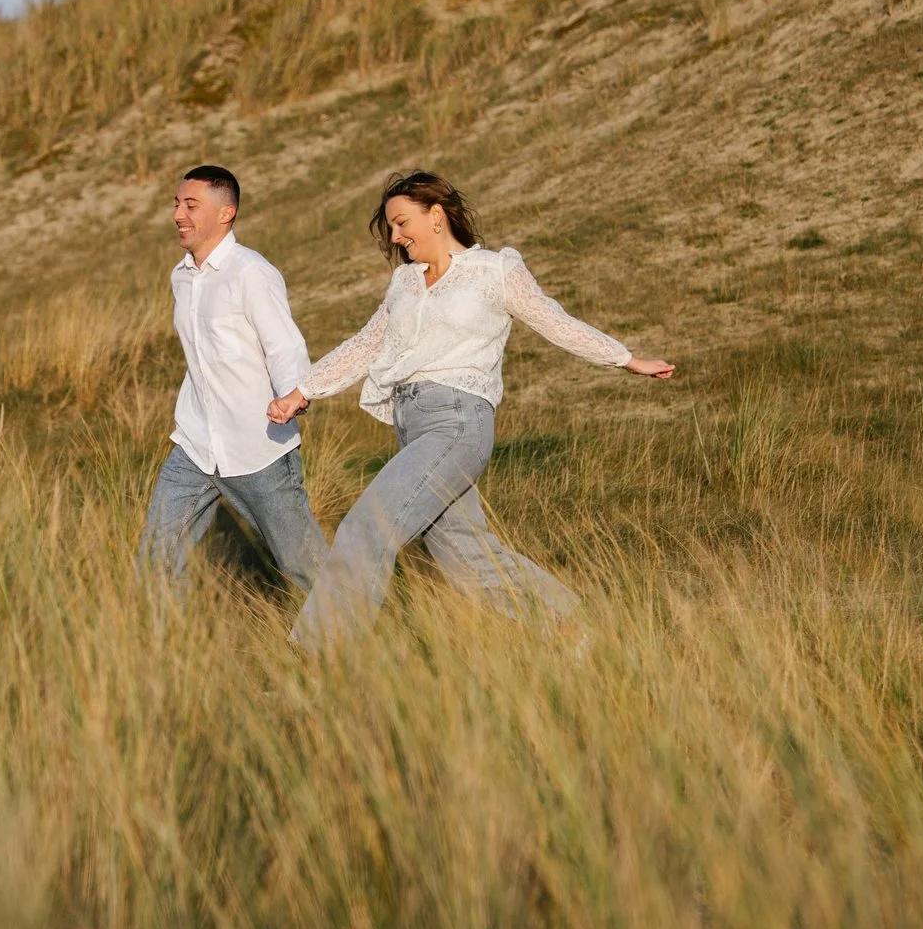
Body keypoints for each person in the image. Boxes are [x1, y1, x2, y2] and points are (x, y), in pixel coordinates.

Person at [268, 171, 674, 649]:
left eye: (402, 223)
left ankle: (316, 656)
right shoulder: (404, 282)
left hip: (457, 423)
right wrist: (305, 389)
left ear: (436, 216)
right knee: (463, 554)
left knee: (369, 524)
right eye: (392, 230)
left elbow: (554, 321)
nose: (396, 237)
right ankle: (574, 631)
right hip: (412, 427)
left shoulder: (493, 272)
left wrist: (625, 359)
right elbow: (366, 345)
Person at [138, 164, 331, 602]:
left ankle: (360, 643)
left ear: (226, 214)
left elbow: (284, 345)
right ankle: (157, 659)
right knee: (158, 558)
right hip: (195, 444)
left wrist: (291, 395)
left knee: (304, 566)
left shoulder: (252, 273)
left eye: (191, 205)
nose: (177, 215)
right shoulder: (181, 277)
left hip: (257, 447)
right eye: (176, 205)